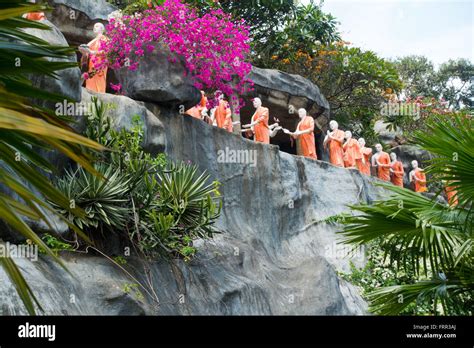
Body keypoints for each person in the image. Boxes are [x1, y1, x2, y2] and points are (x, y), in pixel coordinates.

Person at [80, 23, 108, 93]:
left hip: (100, 66)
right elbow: (86, 55)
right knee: (90, 83)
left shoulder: (105, 39)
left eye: (97, 26)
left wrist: (92, 52)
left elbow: (107, 52)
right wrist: (84, 53)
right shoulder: (92, 41)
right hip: (91, 66)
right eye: (94, 26)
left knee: (99, 83)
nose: (94, 28)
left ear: (102, 29)